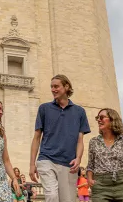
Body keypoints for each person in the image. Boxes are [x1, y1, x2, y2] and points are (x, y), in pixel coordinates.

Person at [30, 74, 91, 202]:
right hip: (46, 159)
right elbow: (36, 138)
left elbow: (80, 140)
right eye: (51, 87)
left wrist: (78, 158)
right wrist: (32, 164)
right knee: (52, 196)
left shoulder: (80, 112)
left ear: (66, 87)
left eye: (56, 86)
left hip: (68, 163)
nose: (53, 89)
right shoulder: (44, 108)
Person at [86, 108, 123, 202]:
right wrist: (90, 180)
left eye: (101, 117)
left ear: (112, 119)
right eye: (97, 118)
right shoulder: (94, 142)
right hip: (100, 186)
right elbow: (90, 166)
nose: (98, 120)